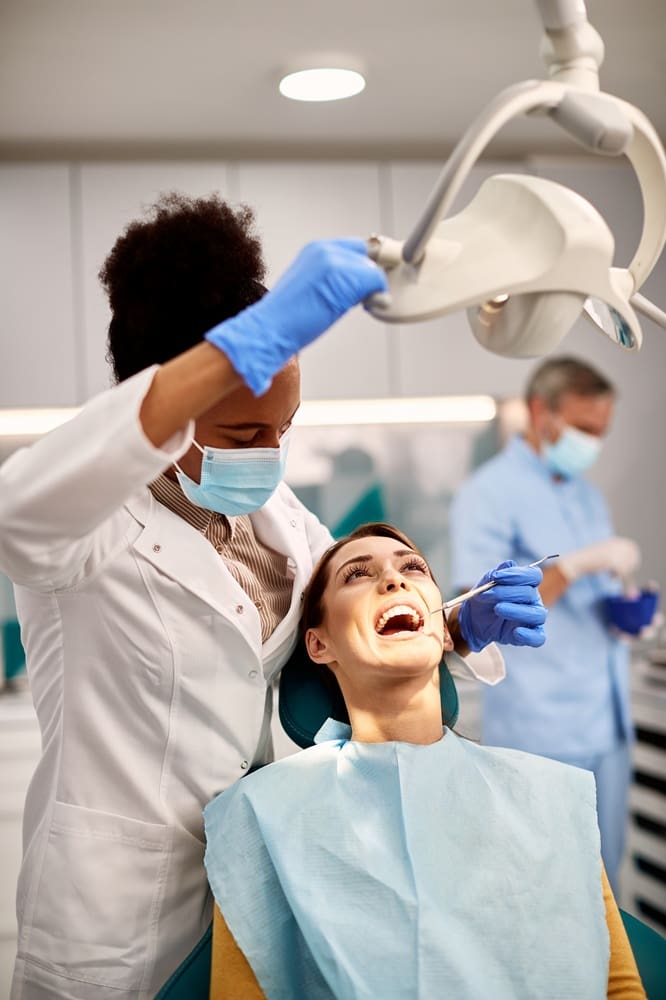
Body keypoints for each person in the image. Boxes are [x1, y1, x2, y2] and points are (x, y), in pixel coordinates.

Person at [0, 192, 545, 999]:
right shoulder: (88, 526)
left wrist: (456, 625)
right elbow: (17, 510)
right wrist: (240, 345)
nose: (273, 454)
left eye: (285, 429)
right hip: (118, 922)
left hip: (259, 877)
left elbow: (347, 616)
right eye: (247, 436)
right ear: (175, 403)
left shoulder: (275, 515)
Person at [203, 523, 645, 999]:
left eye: (412, 568)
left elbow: (617, 985)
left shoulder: (548, 796)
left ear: (447, 629)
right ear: (318, 644)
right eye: (356, 575)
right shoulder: (261, 819)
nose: (395, 580)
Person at [449, 356, 642, 896]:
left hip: (606, 718)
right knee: (549, 886)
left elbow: (592, 602)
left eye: (600, 432)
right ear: (541, 413)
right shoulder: (487, 494)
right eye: (583, 429)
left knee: (607, 882)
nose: (592, 442)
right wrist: (575, 565)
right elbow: (485, 610)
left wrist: (626, 617)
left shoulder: (586, 495)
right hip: (543, 726)